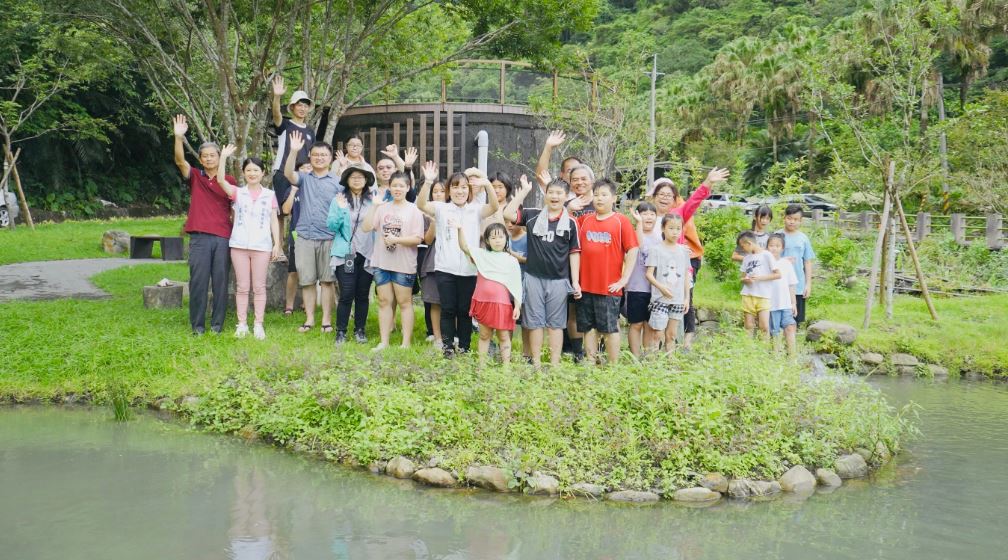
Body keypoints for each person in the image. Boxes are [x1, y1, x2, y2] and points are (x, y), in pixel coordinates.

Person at [416, 162, 500, 357]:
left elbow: (494, 206)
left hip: (469, 270)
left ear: (469, 190)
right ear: (449, 190)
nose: (460, 191)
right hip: (445, 268)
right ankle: (447, 348)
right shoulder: (441, 208)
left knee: (464, 311)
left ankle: (464, 347)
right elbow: (421, 204)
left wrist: (487, 184)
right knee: (448, 309)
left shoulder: (476, 209)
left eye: (464, 187)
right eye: (455, 187)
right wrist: (428, 181)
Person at [503, 175, 580, 366]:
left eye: (559, 193)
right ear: (545, 194)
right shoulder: (532, 215)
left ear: (566, 196)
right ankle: (536, 364)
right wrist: (524, 192)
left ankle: (554, 365)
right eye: (551, 192)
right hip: (533, 277)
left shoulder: (570, 223)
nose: (554, 196)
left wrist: (575, 282)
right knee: (534, 323)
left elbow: (574, 253)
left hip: (559, 280)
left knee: (556, 325)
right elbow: (508, 214)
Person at [650, 171, 728, 350]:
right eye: (661, 194)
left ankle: (680, 345)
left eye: (669, 195)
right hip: (653, 272)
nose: (664, 198)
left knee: (683, 305)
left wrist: (707, 182)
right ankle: (652, 349)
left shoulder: (677, 215)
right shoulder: (648, 216)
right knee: (654, 312)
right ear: (654, 197)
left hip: (675, 273)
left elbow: (694, 201)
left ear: (675, 199)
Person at [171, 115, 234, 335]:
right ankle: (197, 326)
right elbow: (180, 161)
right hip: (199, 237)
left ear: (219, 157)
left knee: (220, 283)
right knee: (197, 282)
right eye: (205, 156)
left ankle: (217, 326)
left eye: (212, 155)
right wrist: (178, 137)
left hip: (223, 237)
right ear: (200, 159)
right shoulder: (196, 176)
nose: (208, 159)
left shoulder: (229, 181)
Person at [215, 149, 283, 340]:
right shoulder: (238, 193)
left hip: (262, 246)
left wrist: (277, 244)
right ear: (243, 173)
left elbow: (273, 221)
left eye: (256, 170)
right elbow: (220, 180)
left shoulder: (270, 195)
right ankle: (242, 324)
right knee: (242, 287)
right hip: (239, 246)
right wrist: (223, 158)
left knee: (259, 287)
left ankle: (258, 325)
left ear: (263, 173)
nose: (252, 173)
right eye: (249, 170)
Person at [576, 178, 639, 365]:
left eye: (604, 195)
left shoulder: (621, 221)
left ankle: (613, 366)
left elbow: (633, 249)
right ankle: (590, 361)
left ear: (614, 198)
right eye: (596, 195)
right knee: (587, 328)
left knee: (610, 328)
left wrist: (624, 280)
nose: (599, 199)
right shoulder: (584, 220)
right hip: (585, 285)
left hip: (609, 287)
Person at [283, 130, 340, 333]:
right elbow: (288, 174)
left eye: (323, 155)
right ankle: (309, 320)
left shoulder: (338, 183)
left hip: (329, 237)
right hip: (305, 237)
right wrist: (293, 152)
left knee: (327, 281)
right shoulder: (304, 178)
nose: (319, 158)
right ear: (310, 156)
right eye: (315, 154)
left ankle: (326, 320)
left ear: (330, 158)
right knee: (306, 280)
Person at [362, 171, 425, 351]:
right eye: (394, 185)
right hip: (382, 262)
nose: (397, 189)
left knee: (405, 303)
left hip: (404, 264)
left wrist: (397, 240)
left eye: (401, 186)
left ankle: (405, 343)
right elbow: (366, 227)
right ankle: (384, 341)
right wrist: (374, 206)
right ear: (389, 187)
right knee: (383, 301)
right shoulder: (382, 207)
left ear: (407, 188)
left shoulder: (414, 210)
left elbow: (418, 238)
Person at [456, 222, 523, 364]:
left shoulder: (511, 261)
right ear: (487, 240)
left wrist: (517, 306)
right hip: (483, 301)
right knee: (484, 335)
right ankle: (481, 366)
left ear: (506, 238)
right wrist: (460, 228)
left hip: (501, 304)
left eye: (500, 237)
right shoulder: (482, 255)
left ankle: (506, 369)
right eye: (493, 238)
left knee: (504, 336)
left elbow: (517, 285)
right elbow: (464, 247)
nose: (497, 241)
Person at [327, 163, 377, 344]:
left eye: (361, 177)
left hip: (367, 252)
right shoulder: (338, 199)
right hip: (346, 253)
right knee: (347, 293)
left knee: (363, 294)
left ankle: (360, 330)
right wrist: (341, 210)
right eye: (353, 177)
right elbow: (332, 226)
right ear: (347, 180)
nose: (357, 180)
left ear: (366, 181)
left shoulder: (373, 200)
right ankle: (341, 331)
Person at [645, 213, 692, 354]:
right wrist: (661, 288)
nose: (675, 232)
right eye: (671, 228)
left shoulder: (683, 251)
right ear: (663, 229)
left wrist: (686, 299)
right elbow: (648, 274)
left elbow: (685, 276)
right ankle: (653, 362)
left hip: (677, 299)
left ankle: (670, 364)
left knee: (671, 335)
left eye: (678, 228)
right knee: (657, 334)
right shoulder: (656, 249)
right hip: (660, 299)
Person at [269, 75, 314, 221]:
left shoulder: (310, 131)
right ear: (293, 107)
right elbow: (276, 114)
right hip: (282, 172)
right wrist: (277, 97)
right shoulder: (285, 126)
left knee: (301, 209)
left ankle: (294, 243)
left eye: (305, 106)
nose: (302, 108)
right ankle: (279, 243)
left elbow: (311, 155)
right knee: (281, 213)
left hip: (302, 175)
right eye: (299, 105)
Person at [625, 202, 661, 357]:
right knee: (636, 323)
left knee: (649, 325)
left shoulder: (660, 237)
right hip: (636, 287)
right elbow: (639, 245)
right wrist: (639, 225)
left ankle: (647, 356)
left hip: (654, 289)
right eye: (644, 213)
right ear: (638, 216)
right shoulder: (632, 234)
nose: (648, 216)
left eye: (652, 214)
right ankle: (635, 356)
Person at [737, 230, 782, 337]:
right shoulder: (746, 259)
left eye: (743, 247)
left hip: (763, 295)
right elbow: (742, 277)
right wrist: (746, 280)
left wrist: (760, 278)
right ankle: (749, 350)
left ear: (749, 243)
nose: (743, 250)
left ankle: (764, 351)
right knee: (748, 325)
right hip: (748, 294)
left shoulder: (766, 255)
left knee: (764, 326)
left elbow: (778, 275)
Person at [282, 158, 312, 316]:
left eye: (310, 167)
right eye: (303, 168)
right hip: (297, 235)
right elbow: (286, 210)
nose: (307, 170)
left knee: (313, 272)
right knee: (293, 271)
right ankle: (289, 306)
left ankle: (307, 304)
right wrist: (293, 191)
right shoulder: (291, 189)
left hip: (316, 235)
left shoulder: (317, 188)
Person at [419, 181, 447, 346]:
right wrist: (435, 221)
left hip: (454, 261)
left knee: (452, 303)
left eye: (442, 191)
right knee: (435, 301)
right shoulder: (425, 214)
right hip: (433, 260)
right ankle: (436, 337)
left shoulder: (456, 210)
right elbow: (427, 240)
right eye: (435, 191)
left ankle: (452, 335)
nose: (438, 194)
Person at [778, 204, 816, 325]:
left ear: (800, 221)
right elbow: (770, 259)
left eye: (795, 219)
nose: (792, 222)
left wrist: (808, 284)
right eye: (789, 218)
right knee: (778, 318)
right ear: (784, 218)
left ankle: (792, 342)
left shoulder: (803, 238)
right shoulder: (777, 236)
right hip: (780, 283)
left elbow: (808, 261)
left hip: (798, 285)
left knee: (796, 320)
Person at [531, 129, 582, 209]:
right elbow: (541, 175)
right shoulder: (555, 190)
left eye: (576, 170)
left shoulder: (588, 192)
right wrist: (548, 147)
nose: (573, 174)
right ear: (562, 174)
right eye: (569, 171)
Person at [766, 233, 798, 354]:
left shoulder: (787, 264)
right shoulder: (765, 263)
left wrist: (793, 303)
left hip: (786, 304)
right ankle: (776, 356)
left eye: (777, 246)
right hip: (771, 304)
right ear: (767, 247)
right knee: (775, 332)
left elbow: (792, 284)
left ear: (782, 248)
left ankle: (792, 356)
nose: (774, 248)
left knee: (790, 327)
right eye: (771, 245)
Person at [505, 216, 529, 359]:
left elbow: (531, 259)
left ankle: (527, 355)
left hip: (524, 284)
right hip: (506, 287)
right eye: (506, 222)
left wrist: (511, 254)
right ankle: (505, 353)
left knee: (526, 322)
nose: (509, 225)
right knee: (507, 322)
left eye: (513, 222)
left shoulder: (528, 238)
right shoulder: (502, 238)